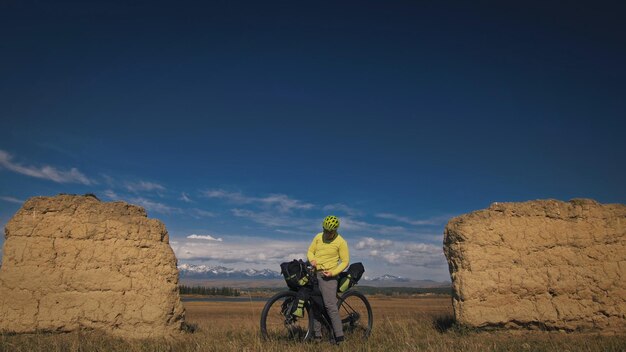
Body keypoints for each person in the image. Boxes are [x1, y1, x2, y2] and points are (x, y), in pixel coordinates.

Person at [307, 215, 349, 344]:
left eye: (330, 232)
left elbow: (345, 262)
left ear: (335, 230)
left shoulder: (341, 242)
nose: (327, 233)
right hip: (315, 274)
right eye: (325, 230)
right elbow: (310, 251)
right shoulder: (318, 237)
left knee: (330, 306)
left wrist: (332, 272)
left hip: (329, 277)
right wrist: (312, 260)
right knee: (315, 304)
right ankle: (317, 336)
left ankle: (340, 338)